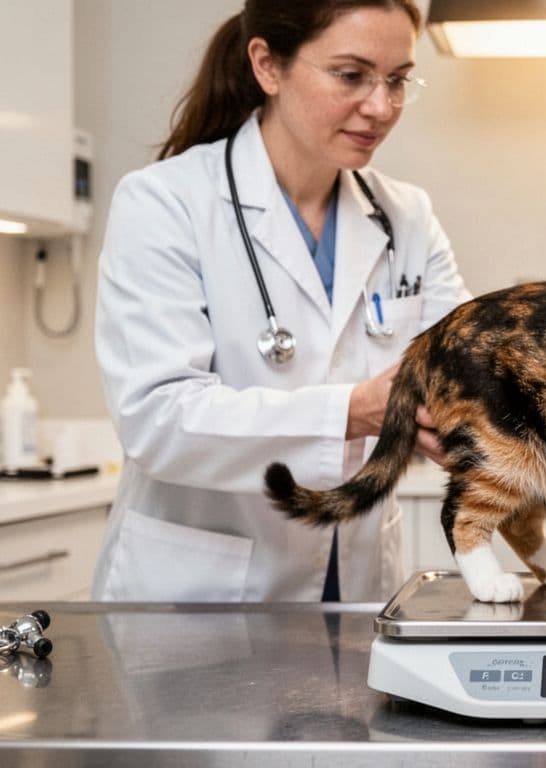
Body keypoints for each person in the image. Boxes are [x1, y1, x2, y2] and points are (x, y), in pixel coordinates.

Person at [92, 0, 470, 602]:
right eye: (351, 75)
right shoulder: (165, 202)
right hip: (203, 595)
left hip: (356, 581)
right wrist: (353, 411)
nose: (381, 107)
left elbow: (465, 366)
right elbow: (158, 420)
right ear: (268, 66)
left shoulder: (407, 217)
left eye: (398, 80)